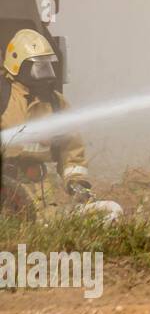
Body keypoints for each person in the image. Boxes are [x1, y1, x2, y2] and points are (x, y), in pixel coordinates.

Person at [0, 29, 93, 215]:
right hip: (5, 189)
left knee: (42, 235)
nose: (44, 74)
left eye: (46, 66)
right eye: (37, 67)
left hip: (42, 192)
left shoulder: (56, 103)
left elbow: (71, 149)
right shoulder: (3, 98)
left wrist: (77, 183)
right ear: (17, 65)